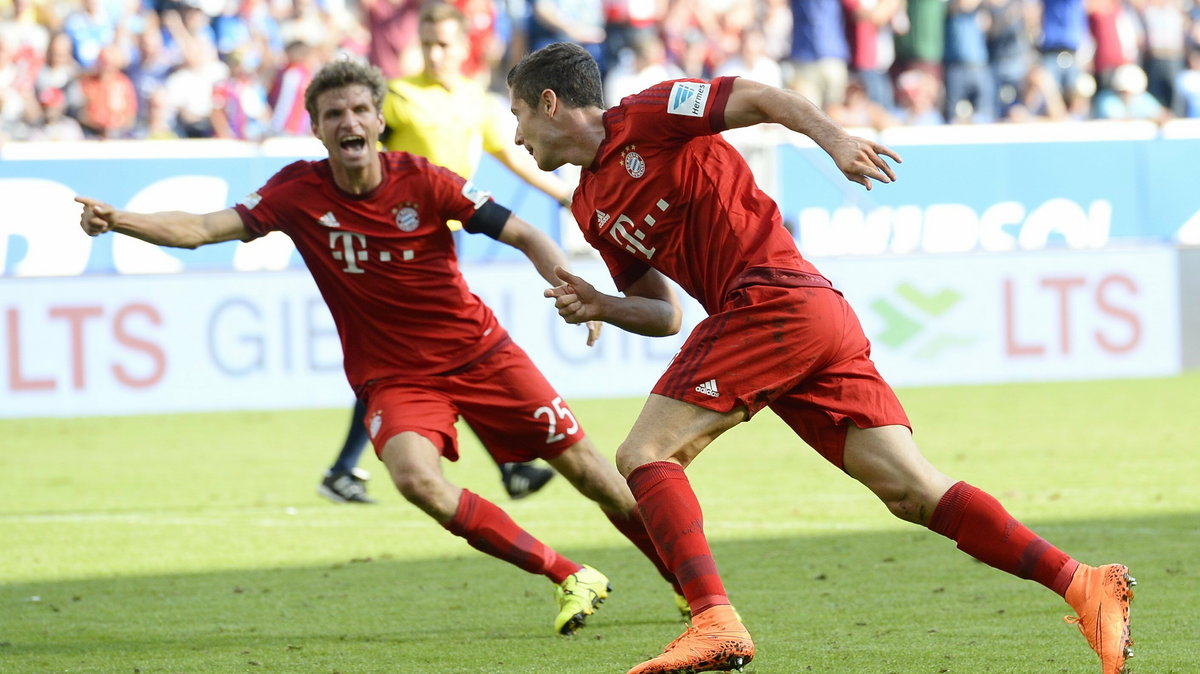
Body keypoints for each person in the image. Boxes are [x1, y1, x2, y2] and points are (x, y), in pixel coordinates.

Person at [506, 41, 1135, 674]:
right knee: (912, 491)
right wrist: (602, 304)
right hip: (796, 319)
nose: (517, 135)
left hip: (771, 301)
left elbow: (759, 97)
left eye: (518, 115)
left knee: (645, 454)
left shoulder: (653, 111)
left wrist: (834, 140)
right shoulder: (591, 208)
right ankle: (1084, 584)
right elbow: (663, 312)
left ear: (550, 103)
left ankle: (713, 622)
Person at [75, 56, 684, 637]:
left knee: (595, 476)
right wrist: (119, 219)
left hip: (482, 354)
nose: (349, 122)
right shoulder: (296, 193)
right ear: (316, 127)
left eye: (360, 110)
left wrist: (571, 287)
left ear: (377, 118)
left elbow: (523, 232)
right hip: (395, 379)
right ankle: (566, 574)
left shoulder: (424, 181)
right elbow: (203, 229)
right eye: (334, 114)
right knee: (415, 480)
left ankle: (689, 588)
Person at [317, 0, 574, 505]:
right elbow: (359, 154)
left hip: (444, 235)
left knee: (424, 354)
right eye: (428, 42)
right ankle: (508, 466)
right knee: (420, 354)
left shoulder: (475, 101)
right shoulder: (397, 97)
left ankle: (348, 468)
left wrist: (565, 193)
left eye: (445, 43)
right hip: (394, 239)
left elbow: (514, 154)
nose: (435, 52)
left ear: (463, 46)